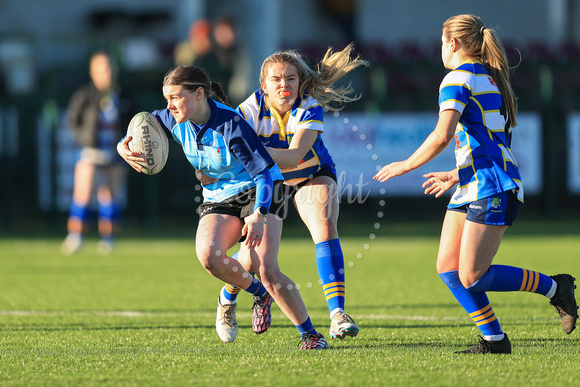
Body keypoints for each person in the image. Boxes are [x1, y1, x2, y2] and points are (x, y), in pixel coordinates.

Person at [373, 14, 578, 354]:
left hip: (493, 184)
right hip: (475, 181)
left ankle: (555, 288)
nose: (440, 48)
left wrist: (405, 165)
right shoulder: (488, 77)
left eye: (442, 42)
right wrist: (456, 175)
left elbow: (443, 135)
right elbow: (489, 140)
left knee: (472, 275)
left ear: (452, 44)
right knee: (448, 268)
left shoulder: (456, 78)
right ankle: (494, 340)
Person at [116, 65, 329, 350]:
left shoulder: (230, 125)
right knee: (209, 256)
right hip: (218, 195)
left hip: (261, 190)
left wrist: (258, 215)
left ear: (199, 94)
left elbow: (265, 173)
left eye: (176, 98)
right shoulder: (172, 117)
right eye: (167, 99)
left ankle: (311, 335)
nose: (169, 106)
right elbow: (143, 126)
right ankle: (257, 294)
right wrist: (122, 146)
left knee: (265, 267)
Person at [213, 42, 369, 343]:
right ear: (264, 85)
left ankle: (337, 315)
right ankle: (227, 297)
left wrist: (250, 150)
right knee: (254, 261)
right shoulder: (248, 109)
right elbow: (230, 153)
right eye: (276, 79)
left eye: (291, 78)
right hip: (269, 184)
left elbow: (294, 156)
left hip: (310, 175)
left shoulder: (309, 107)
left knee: (324, 227)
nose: (284, 85)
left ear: (300, 82)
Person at [61, 51, 129, 255]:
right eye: (101, 68)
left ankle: (108, 239)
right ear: (93, 72)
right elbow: (73, 123)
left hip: (115, 154)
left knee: (110, 195)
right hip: (91, 152)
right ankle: (75, 236)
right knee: (83, 193)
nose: (106, 72)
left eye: (109, 67)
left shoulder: (123, 96)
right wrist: (86, 142)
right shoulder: (84, 95)